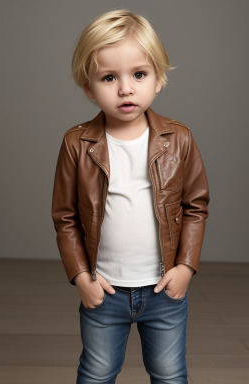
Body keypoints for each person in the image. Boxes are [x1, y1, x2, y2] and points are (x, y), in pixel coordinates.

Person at [51, 9, 210, 384]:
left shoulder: (179, 138)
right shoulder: (77, 143)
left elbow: (195, 206)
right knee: (97, 372)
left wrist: (185, 268)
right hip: (104, 290)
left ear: (158, 79)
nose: (126, 88)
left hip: (163, 290)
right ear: (89, 88)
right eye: (109, 77)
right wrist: (81, 277)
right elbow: (65, 217)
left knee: (170, 374)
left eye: (139, 74)